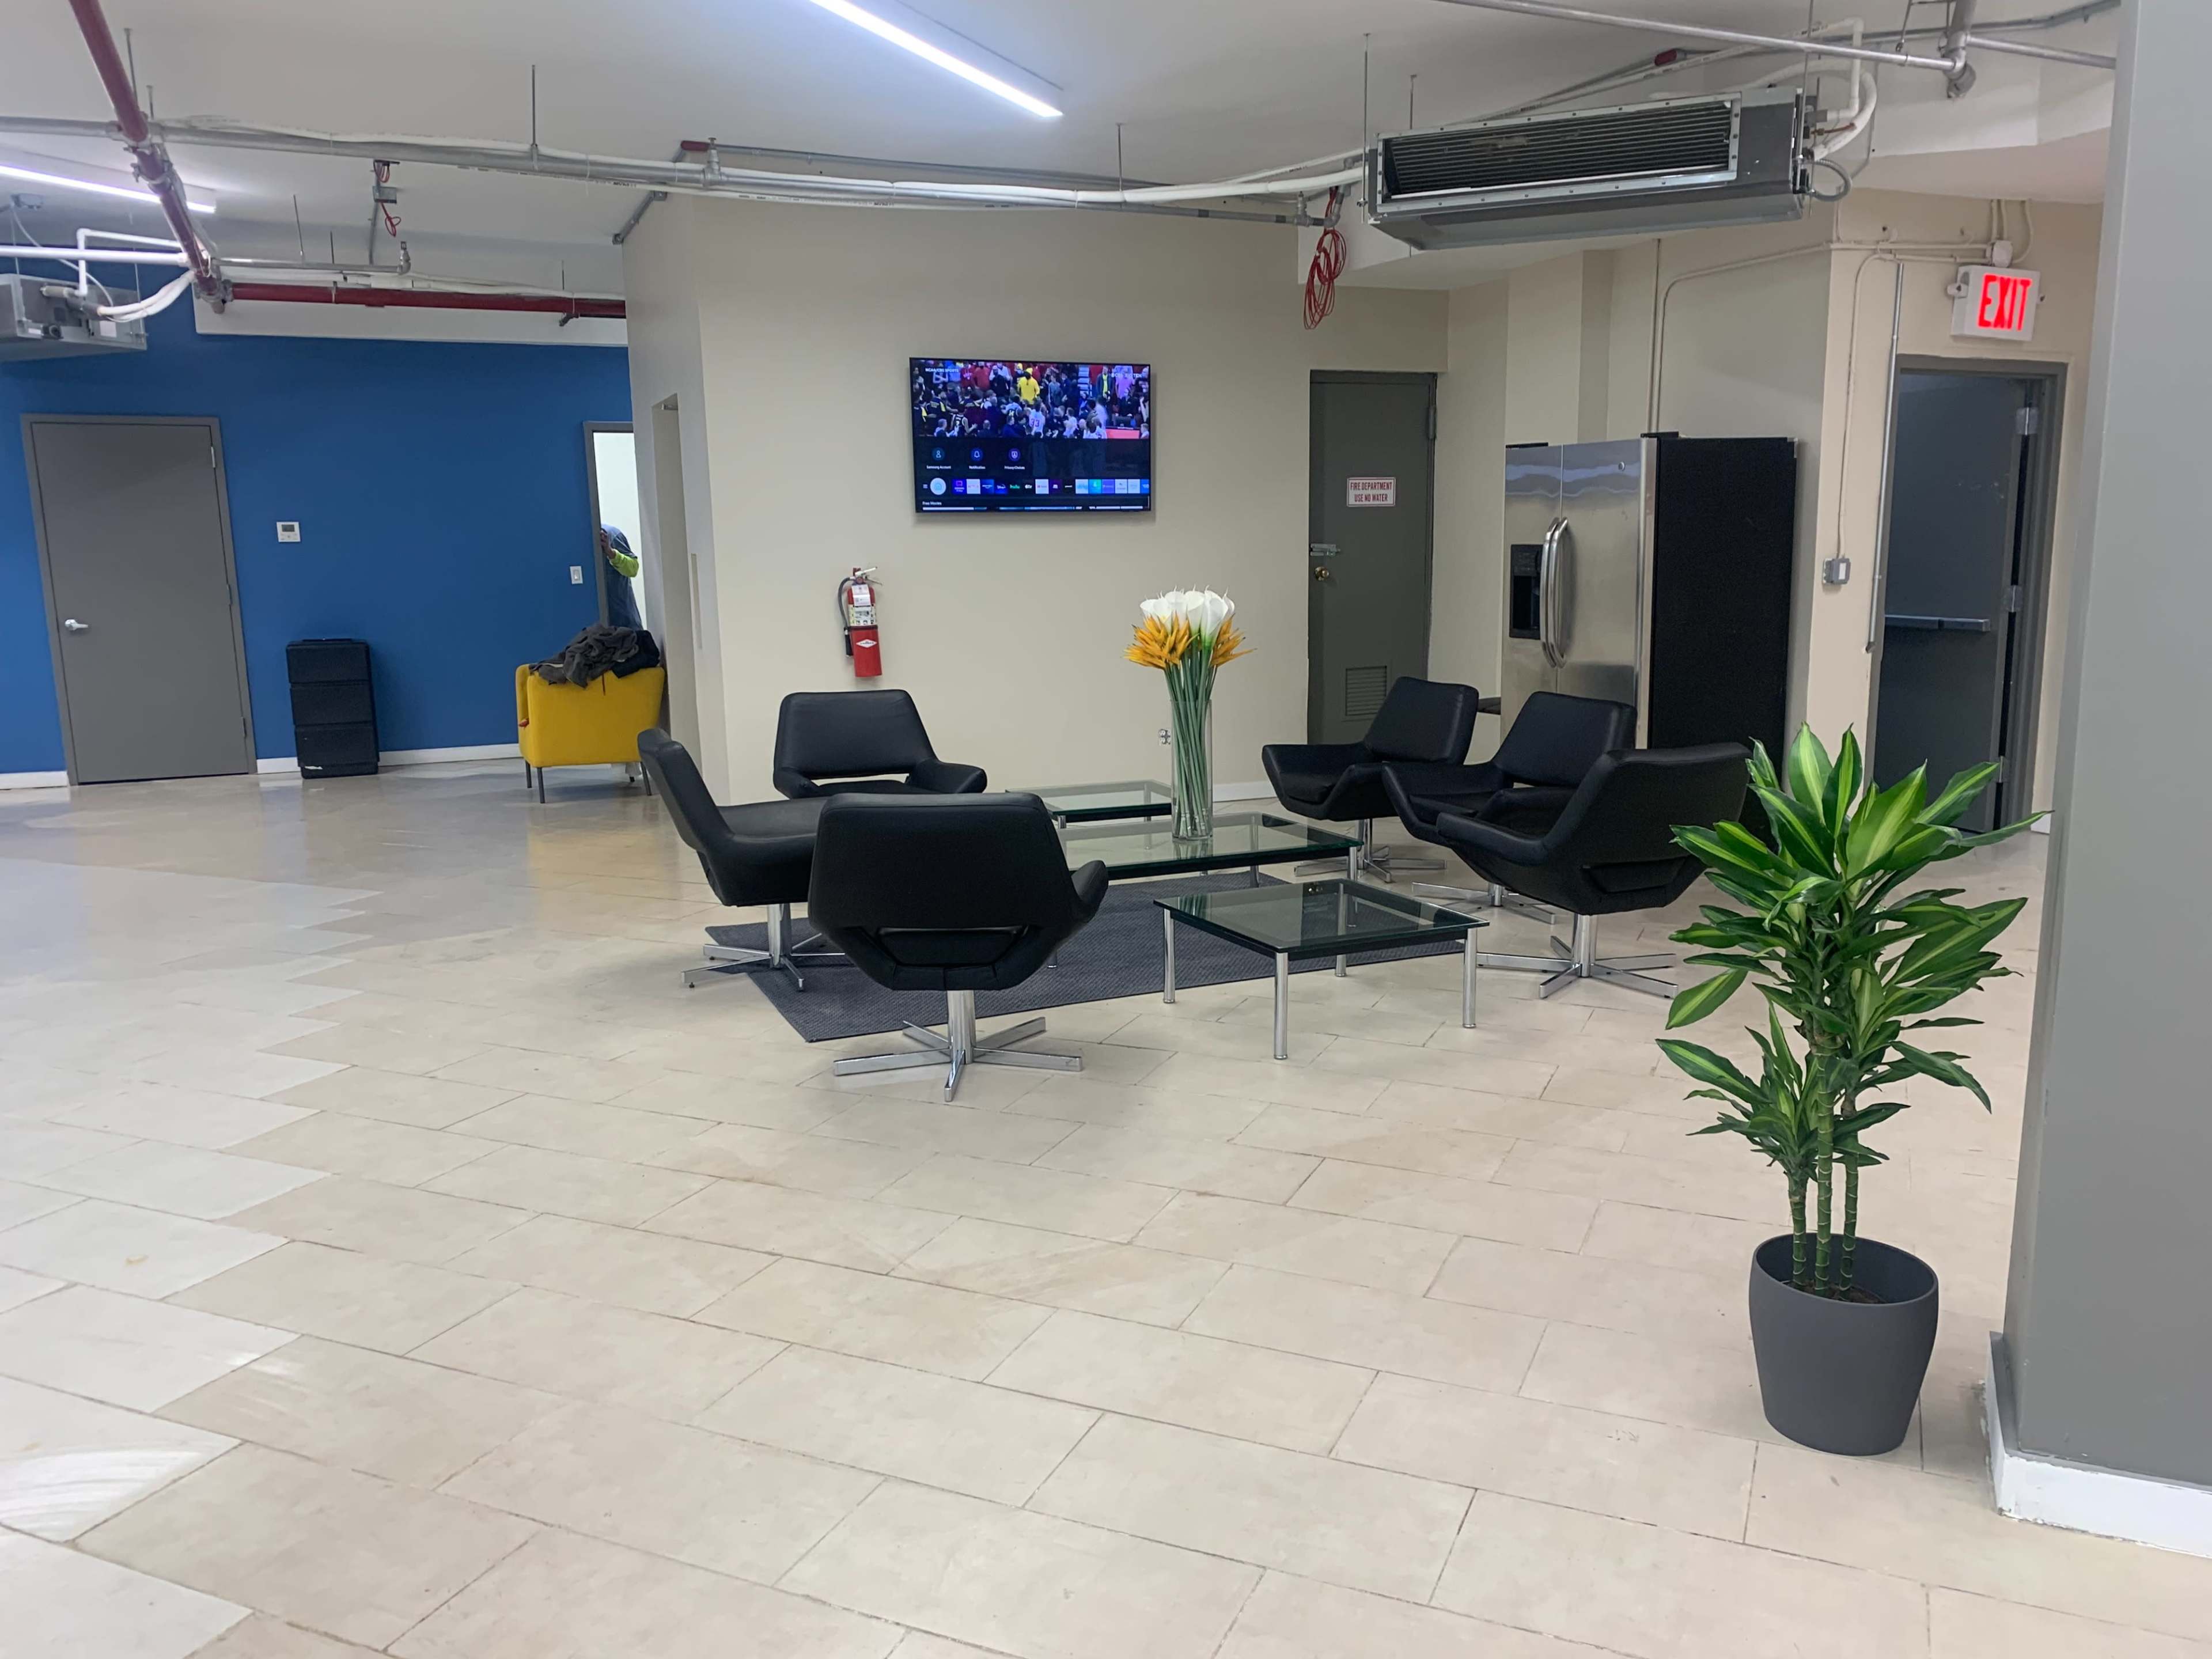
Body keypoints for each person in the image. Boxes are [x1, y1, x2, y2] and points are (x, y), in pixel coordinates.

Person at [599, 525, 642, 631]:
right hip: (596, 628)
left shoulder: (611, 535)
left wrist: (611, 553)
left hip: (625, 622)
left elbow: (633, 568)